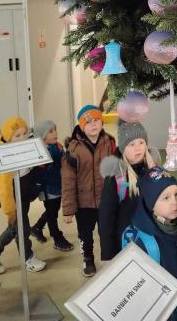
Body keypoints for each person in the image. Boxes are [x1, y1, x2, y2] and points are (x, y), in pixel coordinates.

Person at [121, 166, 177, 321]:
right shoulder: (141, 242)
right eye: (166, 198)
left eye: (176, 194)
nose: (174, 202)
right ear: (150, 203)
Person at [61, 105, 115, 277]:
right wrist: (68, 210)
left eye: (97, 120)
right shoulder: (73, 149)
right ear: (82, 126)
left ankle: (108, 258)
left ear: (102, 122)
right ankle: (88, 258)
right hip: (83, 202)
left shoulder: (109, 142)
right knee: (85, 234)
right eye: (88, 121)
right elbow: (68, 181)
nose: (93, 124)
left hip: (105, 199)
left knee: (107, 230)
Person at [0, 116, 46, 273]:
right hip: (12, 198)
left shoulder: (25, 144)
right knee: (22, 228)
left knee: (14, 228)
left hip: (24, 192)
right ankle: (27, 258)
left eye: (24, 133)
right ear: (8, 137)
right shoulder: (2, 153)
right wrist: (10, 211)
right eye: (17, 135)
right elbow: (4, 187)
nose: (22, 138)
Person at [99, 119, 154, 261]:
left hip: (150, 239)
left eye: (141, 142)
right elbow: (106, 218)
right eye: (132, 144)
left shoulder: (152, 168)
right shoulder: (116, 177)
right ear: (123, 148)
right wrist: (109, 254)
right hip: (126, 242)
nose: (138, 148)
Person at [30, 120, 73, 252]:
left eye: (55, 130)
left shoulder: (57, 146)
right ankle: (57, 238)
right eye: (51, 131)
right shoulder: (40, 151)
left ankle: (37, 227)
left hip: (58, 185)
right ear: (42, 136)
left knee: (52, 210)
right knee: (52, 213)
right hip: (48, 189)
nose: (55, 133)